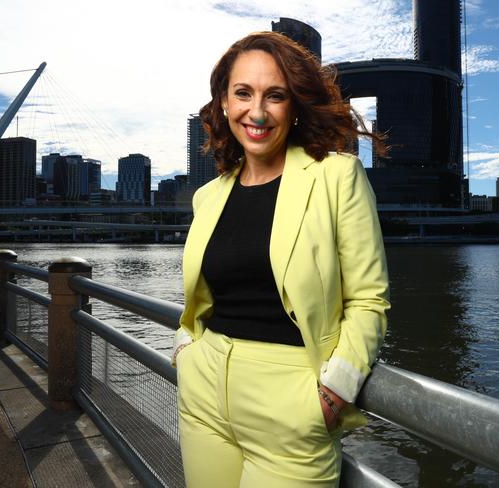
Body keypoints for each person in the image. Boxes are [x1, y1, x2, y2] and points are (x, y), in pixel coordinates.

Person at [171, 31, 390, 487]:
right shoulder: (209, 196)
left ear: (294, 107)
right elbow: (204, 296)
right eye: (243, 94)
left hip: (293, 404)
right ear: (224, 105)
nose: (257, 111)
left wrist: (335, 392)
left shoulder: (336, 175)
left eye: (275, 95)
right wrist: (184, 350)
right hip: (205, 393)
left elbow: (369, 300)